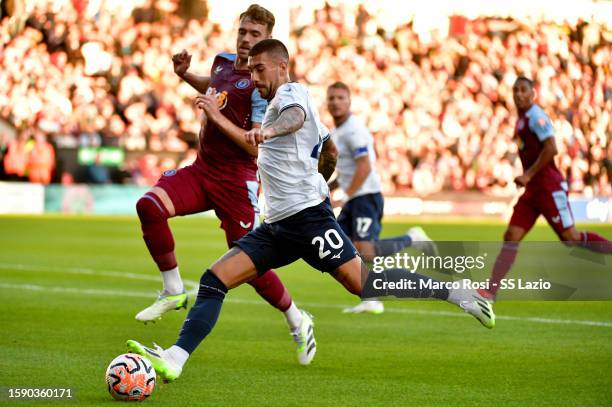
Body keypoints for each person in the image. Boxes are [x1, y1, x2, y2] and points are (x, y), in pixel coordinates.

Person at [126, 39, 495, 381]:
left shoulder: (292, 94)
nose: (253, 77)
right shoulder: (273, 103)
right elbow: (329, 150)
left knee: (366, 285)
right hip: (279, 226)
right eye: (250, 71)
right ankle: (175, 358)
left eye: (259, 70)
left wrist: (270, 138)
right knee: (213, 280)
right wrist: (320, 182)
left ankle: (455, 292)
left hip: (308, 222)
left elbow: (295, 120)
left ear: (281, 66)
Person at [133, 5, 314, 364]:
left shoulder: (267, 90)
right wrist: (186, 75)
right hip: (204, 169)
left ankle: (296, 318)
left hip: (237, 180)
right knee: (149, 206)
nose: (246, 40)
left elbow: (253, 143)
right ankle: (172, 289)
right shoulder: (222, 61)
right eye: (243, 31)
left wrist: (214, 115)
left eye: (255, 35)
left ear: (268, 41)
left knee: (247, 262)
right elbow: (216, 86)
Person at [477, 77, 612, 302]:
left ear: (533, 94)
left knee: (571, 238)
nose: (519, 94)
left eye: (523, 90)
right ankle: (490, 291)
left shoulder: (536, 117)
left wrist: (528, 174)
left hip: (549, 186)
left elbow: (552, 148)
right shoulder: (520, 120)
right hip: (532, 191)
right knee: (511, 235)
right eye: (515, 91)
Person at [326, 81, 438, 314]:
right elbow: (347, 169)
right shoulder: (337, 131)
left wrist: (343, 195)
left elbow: (364, 166)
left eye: (340, 98)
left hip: (365, 196)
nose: (335, 102)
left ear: (349, 102)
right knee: (343, 247)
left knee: (364, 250)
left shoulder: (355, 129)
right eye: (332, 98)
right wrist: (329, 186)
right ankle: (371, 298)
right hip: (354, 196)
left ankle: (411, 238)